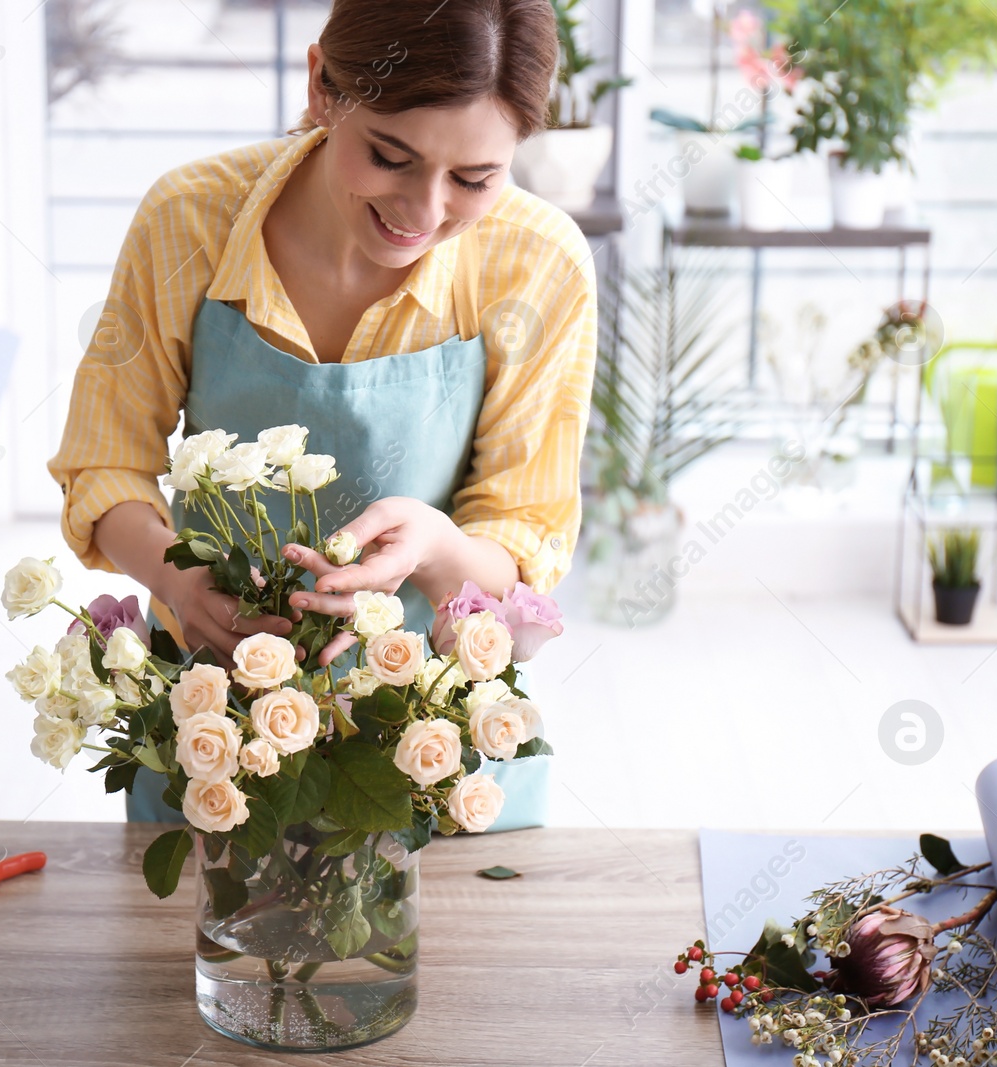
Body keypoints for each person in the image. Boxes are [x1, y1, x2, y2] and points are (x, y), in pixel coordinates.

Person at [47, 0, 597, 827]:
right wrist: (171, 573)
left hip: (429, 752)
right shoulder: (187, 219)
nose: (423, 209)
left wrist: (437, 545)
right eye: (389, 156)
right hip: (214, 741)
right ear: (321, 89)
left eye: (475, 180)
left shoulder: (540, 263)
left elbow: (524, 541)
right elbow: (104, 463)